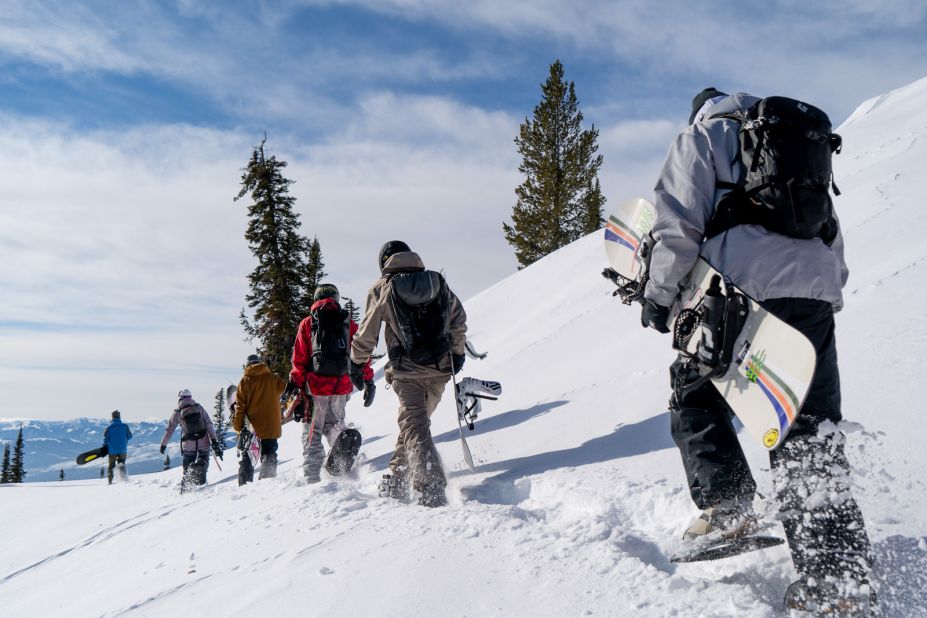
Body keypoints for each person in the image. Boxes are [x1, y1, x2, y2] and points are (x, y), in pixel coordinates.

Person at [642, 88, 873, 611]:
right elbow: (829, 236)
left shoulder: (702, 137)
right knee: (810, 436)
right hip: (812, 295)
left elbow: (677, 227)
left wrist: (658, 300)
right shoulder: (793, 145)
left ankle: (727, 507)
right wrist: (816, 303)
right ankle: (838, 582)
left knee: (694, 394)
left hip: (736, 289)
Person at [350, 241, 467, 507]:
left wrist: (356, 363)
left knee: (414, 424)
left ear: (384, 262)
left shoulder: (382, 287)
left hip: (407, 370)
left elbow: (367, 331)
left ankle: (431, 487)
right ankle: (397, 478)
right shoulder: (436, 282)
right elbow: (458, 319)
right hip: (440, 368)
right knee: (415, 423)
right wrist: (457, 354)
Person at [287, 283, 373, 483]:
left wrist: (297, 385)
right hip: (341, 387)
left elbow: (299, 360)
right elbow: (362, 355)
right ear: (336, 298)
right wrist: (368, 380)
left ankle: (312, 478)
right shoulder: (348, 323)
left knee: (312, 433)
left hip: (315, 388)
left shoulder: (308, 323)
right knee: (335, 425)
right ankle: (344, 461)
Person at [232, 354, 286, 479]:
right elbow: (283, 388)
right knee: (269, 452)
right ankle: (267, 479)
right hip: (271, 423)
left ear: (247, 365)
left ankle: (244, 484)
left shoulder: (245, 381)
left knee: (248, 455)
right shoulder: (272, 378)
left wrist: (238, 426)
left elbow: (240, 407)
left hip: (254, 426)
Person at [159, 389, 222, 486]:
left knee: (187, 466)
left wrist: (163, 444)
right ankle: (201, 466)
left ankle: (187, 482)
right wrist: (214, 441)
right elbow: (209, 424)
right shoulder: (198, 407)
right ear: (190, 397)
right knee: (204, 458)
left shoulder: (177, 412)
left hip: (188, 444)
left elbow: (169, 430)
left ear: (180, 398)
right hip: (203, 440)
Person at [103, 410, 132, 484]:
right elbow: (130, 436)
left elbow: (106, 439)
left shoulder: (109, 428)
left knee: (111, 465)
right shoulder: (125, 426)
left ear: (112, 417)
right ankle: (123, 479)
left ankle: (110, 481)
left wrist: (104, 447)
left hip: (112, 450)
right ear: (119, 417)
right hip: (123, 449)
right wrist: (124, 440)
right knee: (122, 463)